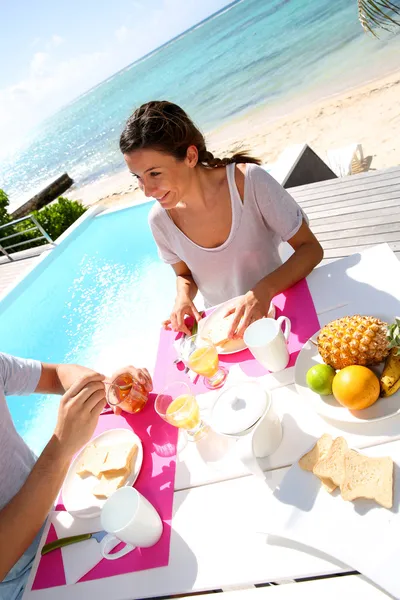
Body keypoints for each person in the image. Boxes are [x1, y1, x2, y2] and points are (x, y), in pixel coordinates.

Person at [119, 100, 323, 339]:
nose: (147, 190)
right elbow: (184, 274)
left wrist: (262, 292)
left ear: (190, 156)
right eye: (138, 177)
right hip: (230, 332)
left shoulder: (248, 183)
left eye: (154, 173)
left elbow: (311, 250)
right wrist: (183, 298)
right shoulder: (159, 221)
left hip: (288, 308)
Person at [0, 352, 152, 600]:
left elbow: (55, 376)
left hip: (58, 516)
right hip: (20, 584)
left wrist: (103, 387)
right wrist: (59, 450)